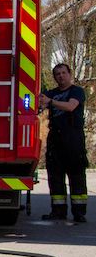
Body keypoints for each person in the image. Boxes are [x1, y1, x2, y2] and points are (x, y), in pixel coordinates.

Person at [41, 63, 88, 223]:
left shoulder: (77, 91)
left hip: (73, 138)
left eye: (63, 73)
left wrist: (50, 102)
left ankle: (79, 212)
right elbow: (40, 103)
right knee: (55, 176)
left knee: (77, 176)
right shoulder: (52, 93)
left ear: (70, 74)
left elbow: (70, 106)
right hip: (55, 138)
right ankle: (58, 211)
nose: (61, 76)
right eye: (57, 74)